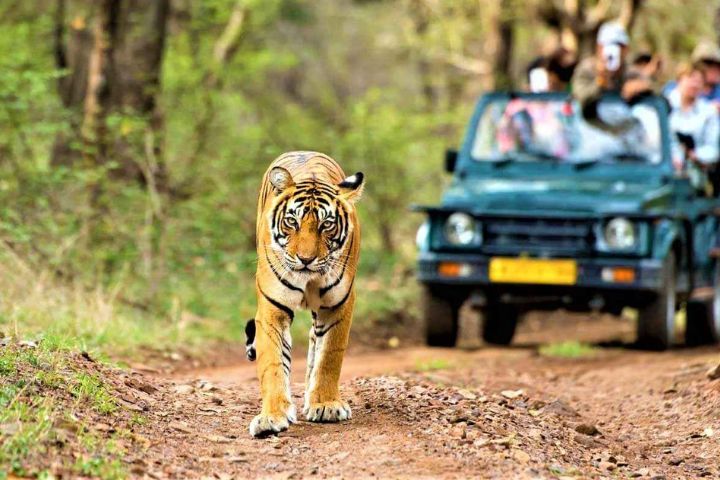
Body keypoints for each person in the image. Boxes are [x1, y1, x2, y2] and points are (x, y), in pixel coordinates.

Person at [572, 21, 653, 130]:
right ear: (599, 47)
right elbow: (580, 98)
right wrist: (600, 82)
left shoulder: (632, 73)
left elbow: (661, 103)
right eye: (608, 45)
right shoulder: (586, 70)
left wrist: (643, 87)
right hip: (591, 132)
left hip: (623, 136)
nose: (614, 51)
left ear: (626, 49)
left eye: (619, 46)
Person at [667, 63, 720, 192]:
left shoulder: (707, 112)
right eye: (690, 79)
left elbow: (713, 148)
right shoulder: (664, 105)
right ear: (679, 80)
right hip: (665, 171)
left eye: (698, 81)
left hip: (694, 175)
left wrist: (695, 155)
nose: (694, 85)